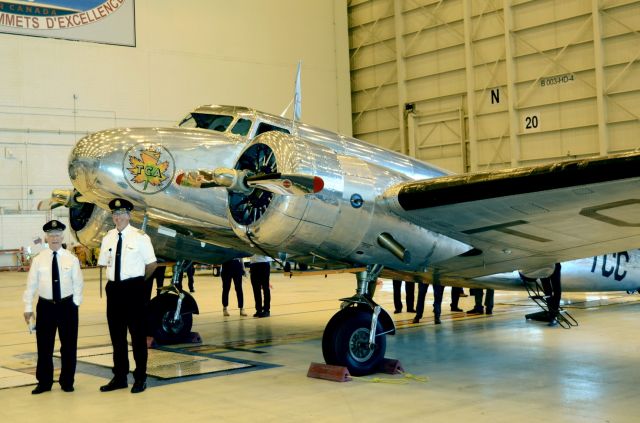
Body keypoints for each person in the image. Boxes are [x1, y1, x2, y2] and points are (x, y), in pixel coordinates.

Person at [97, 198, 157, 394]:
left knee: (138, 337)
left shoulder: (140, 237)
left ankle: (140, 378)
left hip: (134, 290)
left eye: (122, 213)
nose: (118, 217)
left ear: (129, 215)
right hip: (114, 290)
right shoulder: (108, 237)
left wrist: (138, 283)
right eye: (115, 214)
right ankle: (120, 376)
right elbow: (105, 263)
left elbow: (151, 265)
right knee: (117, 337)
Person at [23, 220, 84, 394]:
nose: (54, 238)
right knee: (44, 346)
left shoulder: (71, 259)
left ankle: (67, 381)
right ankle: (44, 382)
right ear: (46, 237)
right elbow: (31, 285)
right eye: (51, 235)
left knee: (69, 346)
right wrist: (28, 307)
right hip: (46, 307)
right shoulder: (38, 260)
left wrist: (76, 303)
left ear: (62, 236)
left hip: (67, 307)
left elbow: (78, 282)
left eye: (57, 235)